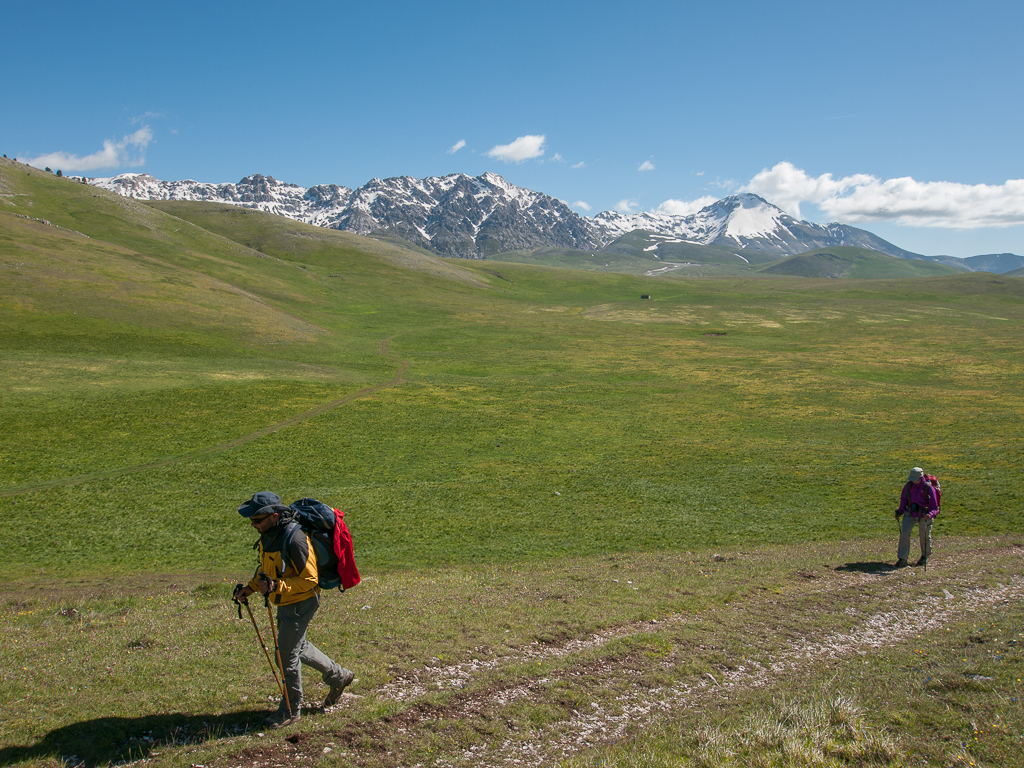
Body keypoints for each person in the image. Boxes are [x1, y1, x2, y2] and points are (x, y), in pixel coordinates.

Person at [234, 491, 355, 728]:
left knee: (285, 655)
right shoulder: (270, 535)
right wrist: (250, 587)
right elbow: (267, 567)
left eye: (257, 520)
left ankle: (290, 710)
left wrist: (276, 586)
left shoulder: (295, 538)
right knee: (297, 646)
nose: (253, 524)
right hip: (286, 600)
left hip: (300, 602)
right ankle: (339, 676)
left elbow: (310, 580)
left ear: (274, 515)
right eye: (252, 520)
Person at [894, 467, 939, 568]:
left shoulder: (929, 488)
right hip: (910, 513)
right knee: (904, 533)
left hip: (924, 516)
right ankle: (902, 558)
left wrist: (930, 515)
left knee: (924, 536)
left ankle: (925, 556)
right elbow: (904, 499)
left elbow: (934, 507)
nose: (914, 482)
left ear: (920, 477)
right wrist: (900, 511)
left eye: (915, 480)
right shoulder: (909, 485)